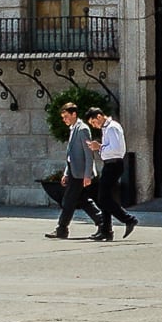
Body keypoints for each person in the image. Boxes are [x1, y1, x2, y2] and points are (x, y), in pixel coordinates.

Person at [51, 102, 110, 242]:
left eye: (66, 116)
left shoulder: (82, 129)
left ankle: (62, 229)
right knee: (83, 200)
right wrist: (66, 172)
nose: (64, 119)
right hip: (74, 171)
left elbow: (89, 154)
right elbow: (71, 155)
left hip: (80, 172)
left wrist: (87, 174)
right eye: (63, 117)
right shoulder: (73, 129)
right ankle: (103, 224)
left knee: (68, 201)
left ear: (74, 114)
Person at [84, 107, 137, 237]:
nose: (94, 126)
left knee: (103, 198)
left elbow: (117, 149)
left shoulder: (112, 127)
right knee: (104, 197)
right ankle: (106, 230)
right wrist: (100, 147)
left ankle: (128, 219)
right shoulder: (107, 128)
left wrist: (99, 147)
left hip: (114, 164)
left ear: (99, 116)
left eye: (94, 122)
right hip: (109, 164)